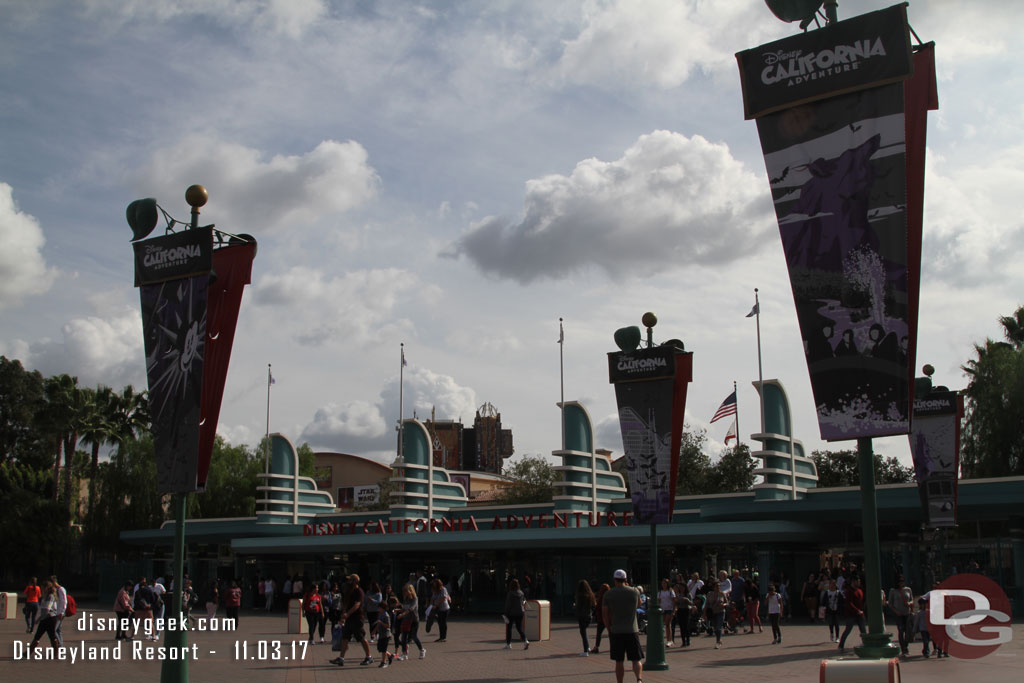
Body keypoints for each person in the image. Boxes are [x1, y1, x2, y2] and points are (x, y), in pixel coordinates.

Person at [602, 569, 643, 683]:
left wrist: (609, 628)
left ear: (615, 580)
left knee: (619, 661)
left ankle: (620, 682)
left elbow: (604, 614)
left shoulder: (608, 594)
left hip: (617, 631)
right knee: (636, 659)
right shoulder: (634, 591)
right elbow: (639, 604)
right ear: (625, 579)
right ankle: (639, 679)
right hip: (632, 630)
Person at [332, 574, 374, 666]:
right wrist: (343, 613)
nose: (348, 582)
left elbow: (357, 605)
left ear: (355, 581)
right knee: (345, 637)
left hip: (357, 618)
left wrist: (348, 614)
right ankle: (341, 658)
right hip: (349, 619)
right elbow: (346, 603)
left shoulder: (359, 591)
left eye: (350, 580)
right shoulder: (349, 590)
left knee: (361, 637)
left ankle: (369, 657)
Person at [29, 580, 60, 651]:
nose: (42, 589)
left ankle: (56, 652)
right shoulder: (45, 596)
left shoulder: (50, 596)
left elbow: (47, 609)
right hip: (44, 618)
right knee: (38, 635)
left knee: (52, 636)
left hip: (50, 618)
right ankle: (29, 652)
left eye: (43, 587)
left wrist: (38, 619)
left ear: (47, 588)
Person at [397, 582, 426, 660]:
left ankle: (422, 650)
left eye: (406, 591)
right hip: (406, 620)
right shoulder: (406, 599)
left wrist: (402, 614)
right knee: (403, 637)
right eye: (404, 592)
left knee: (414, 636)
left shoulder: (415, 599)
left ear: (410, 591)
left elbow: (411, 609)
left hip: (414, 620)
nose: (405, 593)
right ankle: (404, 654)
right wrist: (398, 610)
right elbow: (404, 608)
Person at [887, 575, 914, 657]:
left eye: (903, 581)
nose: (902, 583)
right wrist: (896, 611)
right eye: (900, 582)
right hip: (898, 614)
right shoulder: (893, 591)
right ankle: (904, 649)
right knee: (901, 630)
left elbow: (912, 600)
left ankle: (906, 645)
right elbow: (890, 603)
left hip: (907, 613)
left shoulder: (908, 589)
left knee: (908, 631)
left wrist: (909, 604)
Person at [838, 577, 866, 650]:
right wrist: (857, 610)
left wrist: (862, 610)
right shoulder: (849, 591)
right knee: (848, 630)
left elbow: (862, 602)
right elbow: (849, 603)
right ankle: (841, 645)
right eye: (858, 581)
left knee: (863, 630)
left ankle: (865, 643)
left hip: (860, 613)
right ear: (853, 582)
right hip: (851, 614)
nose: (859, 583)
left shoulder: (860, 590)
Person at [503, 577, 528, 650]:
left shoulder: (510, 593)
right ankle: (526, 640)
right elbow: (523, 602)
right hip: (520, 612)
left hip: (511, 613)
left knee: (509, 628)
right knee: (519, 628)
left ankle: (508, 644)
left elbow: (508, 604)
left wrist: (506, 613)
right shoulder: (521, 593)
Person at [573, 579, 596, 656]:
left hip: (582, 616)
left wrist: (574, 606)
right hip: (589, 616)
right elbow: (593, 606)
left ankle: (585, 650)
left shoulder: (580, 596)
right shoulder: (591, 595)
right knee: (584, 631)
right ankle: (588, 647)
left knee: (583, 632)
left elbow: (578, 607)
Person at [374, 601, 395, 668]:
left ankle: (383, 662)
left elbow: (388, 625)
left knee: (383, 648)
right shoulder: (380, 615)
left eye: (379, 608)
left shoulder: (386, 615)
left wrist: (382, 623)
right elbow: (378, 624)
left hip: (386, 635)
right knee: (380, 648)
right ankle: (390, 656)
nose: (378, 609)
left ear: (383, 608)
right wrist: (374, 631)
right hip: (381, 634)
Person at [708, 579, 729, 649]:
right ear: (713, 587)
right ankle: (718, 638)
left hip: (721, 611)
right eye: (716, 586)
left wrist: (724, 605)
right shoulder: (710, 594)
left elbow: (727, 602)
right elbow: (707, 604)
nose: (718, 588)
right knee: (715, 627)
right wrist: (704, 612)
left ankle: (718, 641)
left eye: (719, 586)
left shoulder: (722, 594)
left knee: (719, 627)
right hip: (713, 612)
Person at [429, 577, 451, 642]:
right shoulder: (434, 590)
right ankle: (441, 637)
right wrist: (430, 606)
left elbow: (443, 598)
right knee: (439, 622)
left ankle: (443, 637)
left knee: (443, 622)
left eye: (435, 585)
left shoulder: (443, 589)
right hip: (438, 609)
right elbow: (432, 598)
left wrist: (436, 605)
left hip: (444, 608)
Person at [591, 583, 609, 653]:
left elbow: (598, 608)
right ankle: (613, 646)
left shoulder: (601, 597)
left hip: (601, 618)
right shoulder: (609, 596)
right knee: (611, 633)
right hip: (609, 618)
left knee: (599, 633)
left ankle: (596, 647)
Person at [822, 578, 842, 643]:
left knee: (837, 624)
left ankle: (837, 637)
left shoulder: (838, 593)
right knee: (830, 623)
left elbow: (842, 602)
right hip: (829, 610)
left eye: (834, 584)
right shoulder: (827, 592)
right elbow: (823, 602)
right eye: (831, 584)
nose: (832, 585)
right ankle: (831, 633)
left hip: (836, 610)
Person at [657, 578, 676, 647]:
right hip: (662, 610)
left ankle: (669, 640)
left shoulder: (670, 591)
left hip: (669, 609)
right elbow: (659, 601)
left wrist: (674, 610)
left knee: (668, 624)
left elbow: (674, 601)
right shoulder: (660, 592)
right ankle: (663, 639)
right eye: (662, 583)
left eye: (665, 583)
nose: (663, 585)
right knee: (662, 625)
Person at [50, 575, 68, 645]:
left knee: (53, 630)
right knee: (58, 630)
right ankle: (61, 645)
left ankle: (60, 645)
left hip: (60, 612)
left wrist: (62, 612)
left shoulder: (61, 589)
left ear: (54, 582)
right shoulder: (56, 590)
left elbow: (64, 601)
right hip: (57, 612)